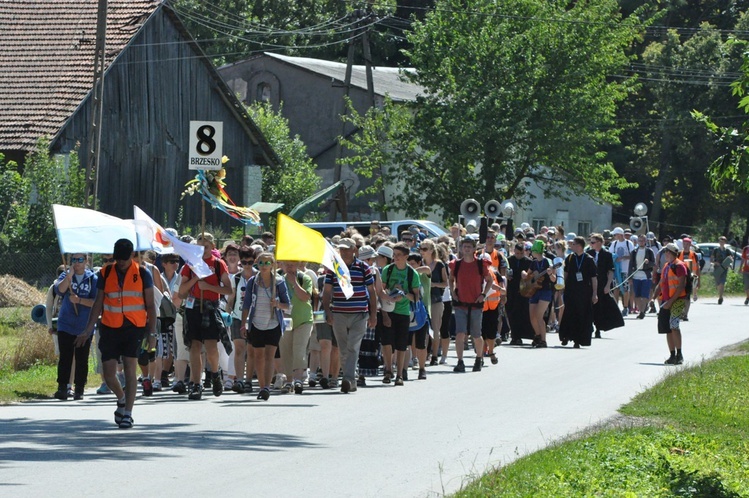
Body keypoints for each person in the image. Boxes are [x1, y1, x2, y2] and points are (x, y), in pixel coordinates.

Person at [77, 239, 158, 429]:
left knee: (130, 369)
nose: (120, 262)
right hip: (110, 326)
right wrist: (88, 329)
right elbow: (98, 302)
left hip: (134, 327)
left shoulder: (143, 273)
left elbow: (150, 305)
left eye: (123, 259)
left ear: (131, 256)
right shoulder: (105, 273)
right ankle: (121, 398)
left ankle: (128, 413)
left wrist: (152, 331)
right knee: (109, 372)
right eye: (117, 259)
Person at [178, 232, 234, 400]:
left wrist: (209, 287)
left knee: (211, 348)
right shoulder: (190, 265)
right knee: (194, 347)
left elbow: (228, 290)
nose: (203, 249)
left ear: (212, 247)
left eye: (206, 246)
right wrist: (195, 280)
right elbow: (181, 292)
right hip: (193, 308)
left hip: (210, 309)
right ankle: (196, 383)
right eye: (199, 246)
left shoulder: (218, 264)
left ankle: (215, 374)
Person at [322, 238, 377, 393]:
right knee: (343, 348)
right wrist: (328, 311)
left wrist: (374, 315)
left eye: (347, 249)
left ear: (354, 250)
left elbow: (372, 292)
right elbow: (326, 292)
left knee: (352, 346)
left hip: (360, 314)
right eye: (341, 249)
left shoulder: (363, 267)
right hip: (339, 313)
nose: (344, 252)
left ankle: (348, 379)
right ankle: (350, 379)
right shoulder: (334, 268)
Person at [239, 252, 290, 400]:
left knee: (269, 356)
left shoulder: (279, 282)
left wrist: (278, 304)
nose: (264, 266)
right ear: (257, 264)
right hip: (256, 323)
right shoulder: (252, 282)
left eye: (268, 263)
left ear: (273, 265)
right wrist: (243, 325)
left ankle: (266, 387)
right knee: (258, 356)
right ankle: (262, 387)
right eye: (261, 263)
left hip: (273, 323)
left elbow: (288, 305)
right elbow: (247, 304)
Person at [53, 253, 97, 400]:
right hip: (65, 323)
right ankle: (63, 387)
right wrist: (69, 277)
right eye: (74, 260)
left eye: (80, 260)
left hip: (83, 326)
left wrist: (79, 301)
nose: (76, 263)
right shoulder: (66, 275)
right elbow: (59, 290)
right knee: (65, 357)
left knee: (81, 358)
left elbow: (96, 303)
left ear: (86, 261)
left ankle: (79, 388)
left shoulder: (93, 279)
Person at [448, 237, 492, 372]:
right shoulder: (456, 264)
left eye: (469, 247)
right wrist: (453, 292)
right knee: (460, 334)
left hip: (475, 304)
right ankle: (460, 361)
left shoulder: (481, 264)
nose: (466, 249)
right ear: (460, 248)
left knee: (476, 335)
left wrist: (483, 294)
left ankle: (478, 358)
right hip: (460, 303)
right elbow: (451, 279)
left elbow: (489, 280)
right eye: (464, 246)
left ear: (474, 249)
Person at [380, 243, 422, 385]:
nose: (395, 257)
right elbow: (381, 290)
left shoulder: (412, 273)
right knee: (386, 342)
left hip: (403, 312)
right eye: (394, 254)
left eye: (398, 255)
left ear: (406, 256)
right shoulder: (388, 270)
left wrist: (402, 293)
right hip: (388, 309)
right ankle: (388, 369)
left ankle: (400, 374)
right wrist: (389, 296)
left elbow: (416, 297)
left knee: (401, 344)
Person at [279, 260, 313, 394]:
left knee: (299, 350)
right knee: (286, 351)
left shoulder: (304, 278)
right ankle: (289, 381)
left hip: (303, 320)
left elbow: (305, 297)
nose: (289, 266)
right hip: (285, 320)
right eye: (286, 264)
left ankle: (298, 380)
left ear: (298, 264)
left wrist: (294, 283)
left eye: (292, 264)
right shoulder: (278, 279)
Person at [558, 236, 598, 348]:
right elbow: (565, 273)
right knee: (569, 314)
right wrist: (562, 286)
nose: (571, 246)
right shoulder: (570, 258)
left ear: (579, 246)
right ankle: (566, 336)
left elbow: (594, 278)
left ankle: (578, 339)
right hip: (571, 291)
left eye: (574, 244)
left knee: (581, 315)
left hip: (584, 292)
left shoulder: (589, 259)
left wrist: (595, 293)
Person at [226, 247, 255, 393]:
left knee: (251, 350)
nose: (247, 265)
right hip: (237, 316)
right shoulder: (236, 278)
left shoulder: (259, 276)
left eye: (250, 262)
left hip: (255, 317)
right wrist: (226, 315)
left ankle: (249, 380)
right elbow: (231, 299)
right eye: (244, 262)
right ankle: (240, 380)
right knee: (239, 349)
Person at [655, 243, 687, 365]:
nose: (666, 254)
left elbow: (680, 287)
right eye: (665, 252)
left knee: (674, 326)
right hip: (666, 300)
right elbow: (662, 282)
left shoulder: (679, 266)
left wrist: (670, 302)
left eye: (668, 252)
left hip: (677, 300)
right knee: (667, 328)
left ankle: (679, 355)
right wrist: (653, 296)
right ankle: (672, 355)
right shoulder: (666, 266)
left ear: (674, 253)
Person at [586, 234, 623, 338]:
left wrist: (608, 285)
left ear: (599, 243)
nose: (591, 244)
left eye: (593, 242)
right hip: (590, 285)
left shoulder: (607, 255)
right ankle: (589, 326)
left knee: (600, 307)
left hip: (602, 284)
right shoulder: (589, 253)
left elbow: (610, 271)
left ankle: (598, 328)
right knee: (589, 306)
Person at [523, 240, 557, 348]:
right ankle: (537, 335)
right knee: (532, 316)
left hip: (545, 291)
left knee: (539, 315)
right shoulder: (533, 263)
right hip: (534, 291)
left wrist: (550, 274)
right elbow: (527, 275)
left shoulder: (548, 262)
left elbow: (553, 279)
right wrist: (524, 274)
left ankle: (543, 340)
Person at [420, 239, 448, 366]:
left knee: (436, 328)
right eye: (421, 248)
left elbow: (445, 283)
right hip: (423, 300)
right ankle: (424, 354)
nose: (422, 251)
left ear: (431, 251)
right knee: (423, 329)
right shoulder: (420, 264)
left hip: (436, 300)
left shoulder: (439, 265)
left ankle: (435, 355)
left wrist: (433, 284)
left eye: (425, 249)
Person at [506, 242, 533, 345]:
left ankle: (523, 335)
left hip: (524, 291)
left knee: (523, 313)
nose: (518, 255)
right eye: (516, 253)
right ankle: (514, 336)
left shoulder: (528, 262)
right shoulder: (510, 260)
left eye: (521, 253)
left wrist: (527, 275)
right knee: (512, 313)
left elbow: (532, 276)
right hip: (512, 290)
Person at [609, 227, 634, 316]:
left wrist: (623, 258)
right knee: (616, 288)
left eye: (615, 234)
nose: (614, 236)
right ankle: (616, 307)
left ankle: (626, 307)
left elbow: (632, 255)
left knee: (626, 289)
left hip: (625, 270)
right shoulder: (614, 244)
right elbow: (610, 254)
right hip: (616, 270)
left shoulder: (628, 243)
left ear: (619, 234)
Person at [630, 234, 655, 320]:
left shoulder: (649, 251)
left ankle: (642, 311)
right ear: (637, 241)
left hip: (646, 275)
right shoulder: (634, 252)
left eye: (643, 240)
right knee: (637, 295)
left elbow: (653, 263)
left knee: (645, 294)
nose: (641, 242)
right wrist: (630, 277)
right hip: (636, 275)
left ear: (646, 241)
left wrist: (648, 263)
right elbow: (631, 265)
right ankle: (641, 310)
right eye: (640, 240)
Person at [678, 237, 700, 319]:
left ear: (690, 245)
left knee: (687, 296)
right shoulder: (679, 254)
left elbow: (697, 267)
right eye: (684, 244)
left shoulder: (694, 255)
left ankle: (685, 314)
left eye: (687, 244)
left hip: (691, 277)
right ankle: (681, 312)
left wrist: (698, 280)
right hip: (681, 278)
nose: (686, 245)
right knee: (680, 296)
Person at [711, 236, 733, 304]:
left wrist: (729, 263)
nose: (721, 243)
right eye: (720, 241)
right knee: (718, 283)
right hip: (717, 268)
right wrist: (715, 262)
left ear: (725, 242)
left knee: (722, 283)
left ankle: (720, 297)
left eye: (723, 241)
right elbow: (711, 259)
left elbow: (731, 258)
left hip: (724, 268)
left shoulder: (727, 250)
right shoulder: (716, 250)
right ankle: (720, 294)